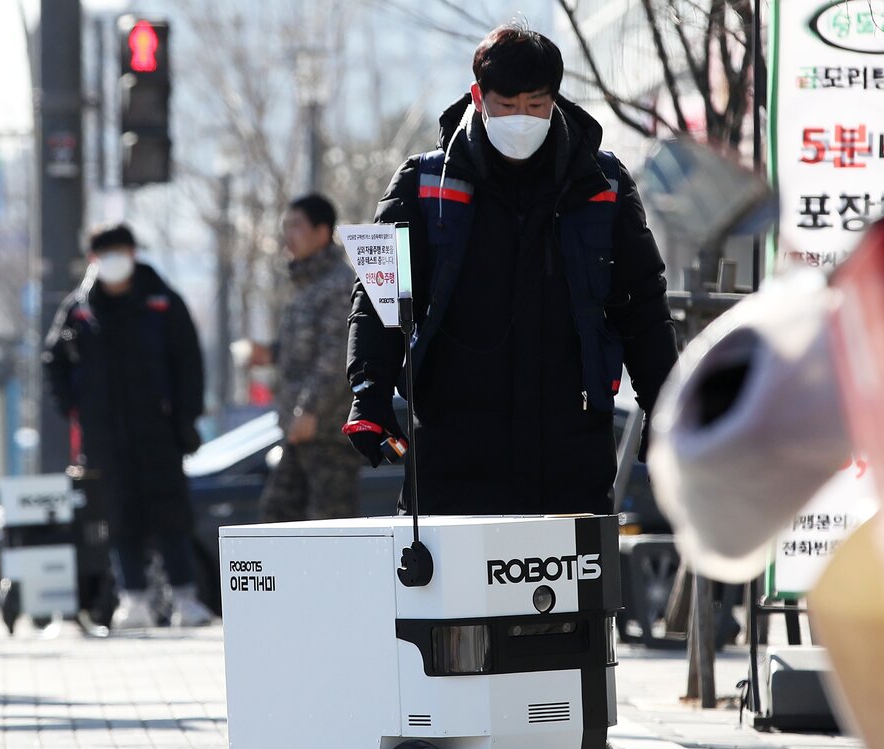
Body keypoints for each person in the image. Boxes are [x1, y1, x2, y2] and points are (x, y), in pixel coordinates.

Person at [344, 25, 678, 516]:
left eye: (536, 105)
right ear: (478, 96)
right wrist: (368, 397)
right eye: (507, 105)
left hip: (571, 447)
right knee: (454, 590)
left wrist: (664, 407)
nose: (522, 118)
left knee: (569, 590)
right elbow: (379, 298)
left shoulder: (600, 184)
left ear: (555, 100)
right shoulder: (424, 184)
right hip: (455, 445)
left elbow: (642, 304)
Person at [43, 223, 213, 630]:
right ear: (93, 259)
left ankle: (185, 599)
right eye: (106, 253)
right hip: (104, 438)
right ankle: (132, 599)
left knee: (171, 515)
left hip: (160, 432)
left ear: (134, 253)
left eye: (121, 250)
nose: (115, 260)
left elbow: (189, 363)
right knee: (118, 519)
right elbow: (54, 362)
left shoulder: (163, 302)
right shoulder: (79, 309)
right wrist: (74, 409)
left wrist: (186, 417)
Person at [244, 194, 362, 522]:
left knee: (330, 532)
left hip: (328, 437)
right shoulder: (308, 287)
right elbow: (303, 352)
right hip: (300, 434)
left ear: (322, 232)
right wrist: (271, 353)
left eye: (296, 226)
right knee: (277, 519)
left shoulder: (338, 285)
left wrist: (309, 409)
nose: (288, 235)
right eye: (286, 226)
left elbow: (337, 357)